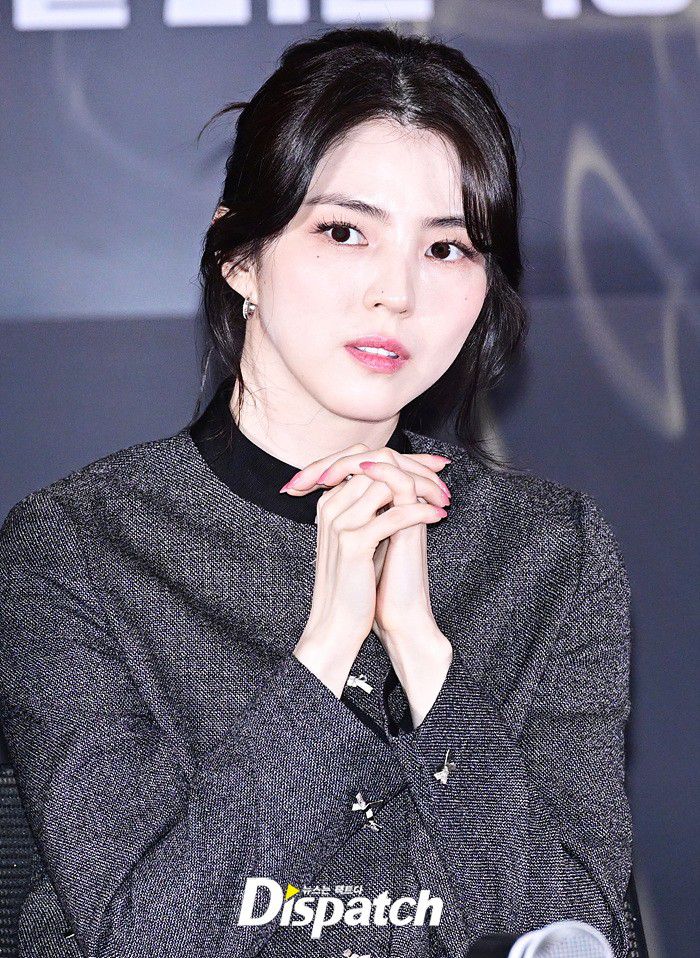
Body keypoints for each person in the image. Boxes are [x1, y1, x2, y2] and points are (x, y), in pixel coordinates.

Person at [0, 25, 634, 958]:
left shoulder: (551, 552)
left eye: (447, 248)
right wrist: (326, 653)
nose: (397, 293)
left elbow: (587, 936)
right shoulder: (81, 549)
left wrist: (426, 659)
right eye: (344, 232)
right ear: (240, 256)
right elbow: (142, 937)